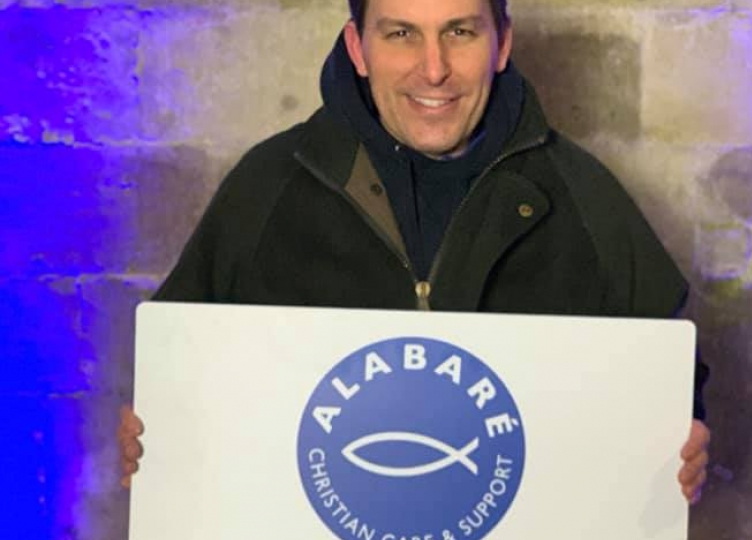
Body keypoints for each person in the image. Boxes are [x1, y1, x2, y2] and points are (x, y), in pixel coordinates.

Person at [118, 0, 710, 504]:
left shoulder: (584, 196)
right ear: (358, 47)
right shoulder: (267, 187)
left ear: (502, 44)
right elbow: (179, 367)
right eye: (401, 34)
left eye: (460, 32)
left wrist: (682, 444)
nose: (434, 70)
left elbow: (667, 375)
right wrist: (151, 436)